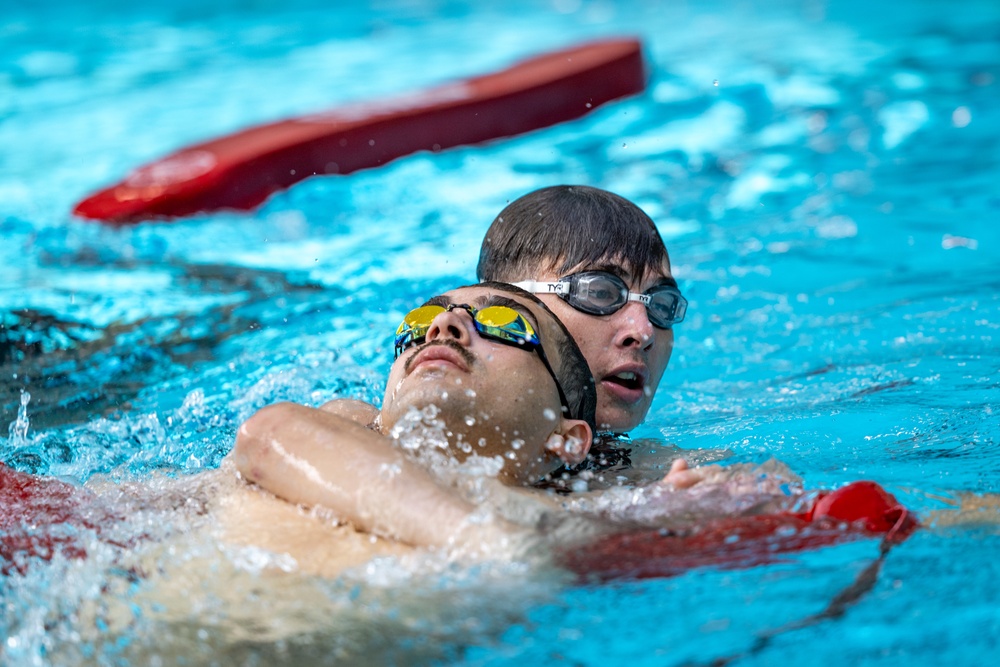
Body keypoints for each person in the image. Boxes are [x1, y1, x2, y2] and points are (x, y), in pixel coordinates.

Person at [477, 185, 686, 436]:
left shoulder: (685, 471)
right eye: (599, 292)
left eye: (661, 304)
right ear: (505, 308)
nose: (643, 332)